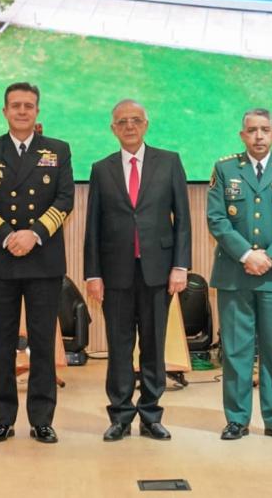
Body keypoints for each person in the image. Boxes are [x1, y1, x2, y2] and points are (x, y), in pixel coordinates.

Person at [0, 82, 74, 444]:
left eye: (29, 105)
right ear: (5, 111)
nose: (22, 111)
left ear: (37, 111)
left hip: (43, 260)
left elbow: (64, 200)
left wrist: (33, 234)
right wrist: (7, 237)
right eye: (15, 105)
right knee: (1, 343)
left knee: (43, 343)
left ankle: (42, 419)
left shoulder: (57, 150)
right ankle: (2, 418)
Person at [83, 99, 191, 442]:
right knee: (118, 346)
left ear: (146, 125)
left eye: (135, 120)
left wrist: (180, 266)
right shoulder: (102, 169)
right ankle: (120, 416)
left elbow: (182, 221)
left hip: (158, 272)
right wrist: (93, 274)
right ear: (113, 129)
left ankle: (150, 415)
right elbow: (93, 227)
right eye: (122, 122)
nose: (129, 126)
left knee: (154, 346)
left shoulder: (169, 162)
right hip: (115, 274)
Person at [206, 108, 272, 442]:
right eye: (252, 130)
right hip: (235, 272)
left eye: (265, 130)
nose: (259, 136)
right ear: (242, 135)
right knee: (236, 350)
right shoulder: (224, 169)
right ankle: (237, 419)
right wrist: (247, 254)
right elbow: (217, 218)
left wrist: (270, 256)